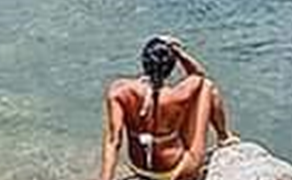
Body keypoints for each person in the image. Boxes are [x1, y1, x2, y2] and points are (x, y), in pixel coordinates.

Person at [98, 35, 232, 180]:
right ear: (171, 67)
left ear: (144, 62)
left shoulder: (119, 90)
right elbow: (199, 75)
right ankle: (224, 136)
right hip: (174, 171)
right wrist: (179, 53)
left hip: (139, 167)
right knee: (207, 86)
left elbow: (113, 141)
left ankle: (223, 136)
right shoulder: (178, 94)